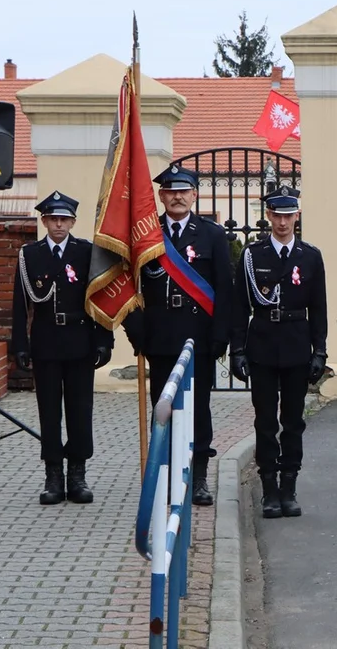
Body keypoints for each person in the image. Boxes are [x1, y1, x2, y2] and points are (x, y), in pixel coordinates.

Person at [124, 164, 233, 506]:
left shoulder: (212, 235)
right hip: (159, 337)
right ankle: (167, 473)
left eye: (183, 191)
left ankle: (198, 477)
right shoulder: (146, 234)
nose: (177, 197)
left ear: (194, 194)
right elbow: (127, 286)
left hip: (198, 336)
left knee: (198, 409)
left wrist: (220, 337)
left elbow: (225, 290)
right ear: (161, 195)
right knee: (163, 407)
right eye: (170, 191)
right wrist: (137, 332)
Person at [229, 186, 328, 519]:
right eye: (277, 215)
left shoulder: (310, 256)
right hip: (263, 345)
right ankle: (269, 489)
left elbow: (319, 308)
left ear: (296, 216)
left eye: (289, 215)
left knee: (293, 421)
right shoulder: (253, 256)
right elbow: (240, 306)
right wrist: (238, 351)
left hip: (297, 344)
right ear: (268, 216)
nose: (283, 222)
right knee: (266, 421)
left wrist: (320, 351)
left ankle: (289, 487)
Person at [12, 191, 113, 505]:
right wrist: (20, 345)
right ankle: (53, 475)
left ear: (72, 221)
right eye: (53, 218)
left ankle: (78, 475)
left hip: (80, 340)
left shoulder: (86, 252)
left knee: (80, 411)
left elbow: (100, 297)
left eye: (64, 219)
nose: (58, 224)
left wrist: (103, 340)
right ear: (44, 220)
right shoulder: (30, 255)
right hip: (45, 341)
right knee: (49, 412)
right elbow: (20, 304)